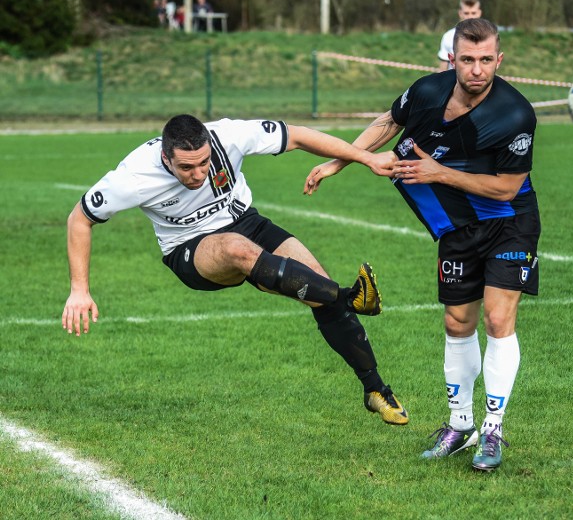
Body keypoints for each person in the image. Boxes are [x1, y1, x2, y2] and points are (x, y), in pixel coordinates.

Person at [62, 115, 409, 426]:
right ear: (165, 157)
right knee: (235, 248)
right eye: (186, 168)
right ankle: (351, 297)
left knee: (318, 286)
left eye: (203, 163)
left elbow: (299, 135)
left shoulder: (228, 135)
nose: (197, 174)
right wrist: (80, 289)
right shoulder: (133, 176)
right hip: (191, 249)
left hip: (247, 223)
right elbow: (79, 218)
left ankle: (376, 390)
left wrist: (365, 158)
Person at [305, 18, 539, 471]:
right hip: (456, 227)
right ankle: (460, 425)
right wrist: (341, 162)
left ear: (499, 59)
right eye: (467, 59)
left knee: (497, 318)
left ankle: (493, 430)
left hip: (509, 223)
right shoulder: (428, 91)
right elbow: (389, 123)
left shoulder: (514, 114)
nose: (476, 69)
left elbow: (508, 187)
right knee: (456, 324)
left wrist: (439, 173)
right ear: (452, 58)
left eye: (486, 60)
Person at [437, 0, 482, 71]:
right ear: (460, 13)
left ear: (479, 13)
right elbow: (442, 69)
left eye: (473, 13)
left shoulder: (489, 37)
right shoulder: (449, 37)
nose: (470, 17)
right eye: (466, 13)